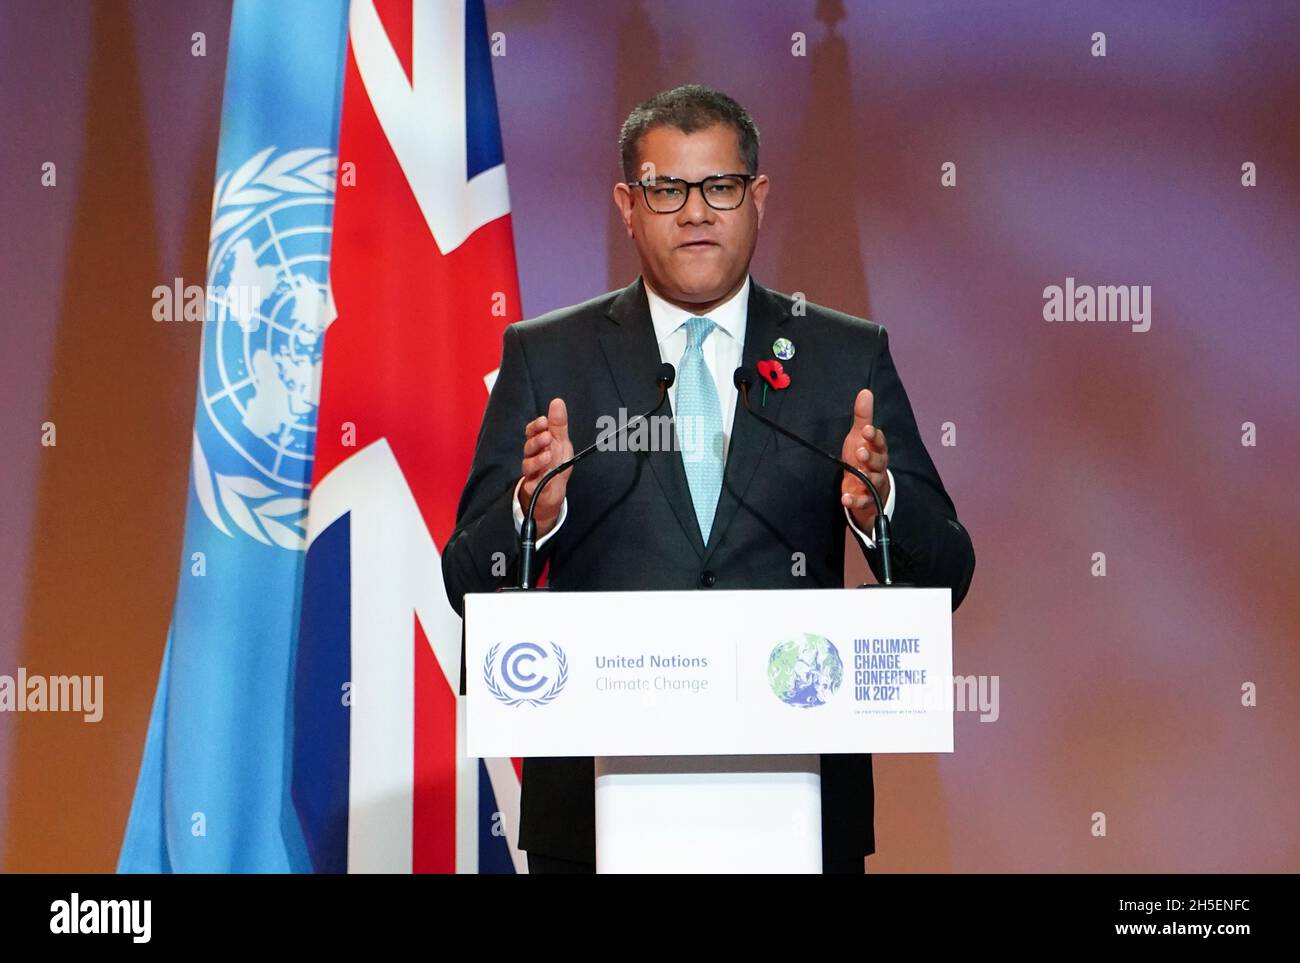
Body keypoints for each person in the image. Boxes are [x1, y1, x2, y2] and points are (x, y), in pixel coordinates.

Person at [442, 84, 975, 874]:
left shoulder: (839, 357)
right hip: (593, 811)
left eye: (720, 186)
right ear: (629, 204)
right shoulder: (547, 357)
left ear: (757, 197)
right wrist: (531, 512)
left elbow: (948, 569)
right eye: (667, 189)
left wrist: (881, 506)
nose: (696, 211)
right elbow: (463, 577)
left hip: (796, 807)